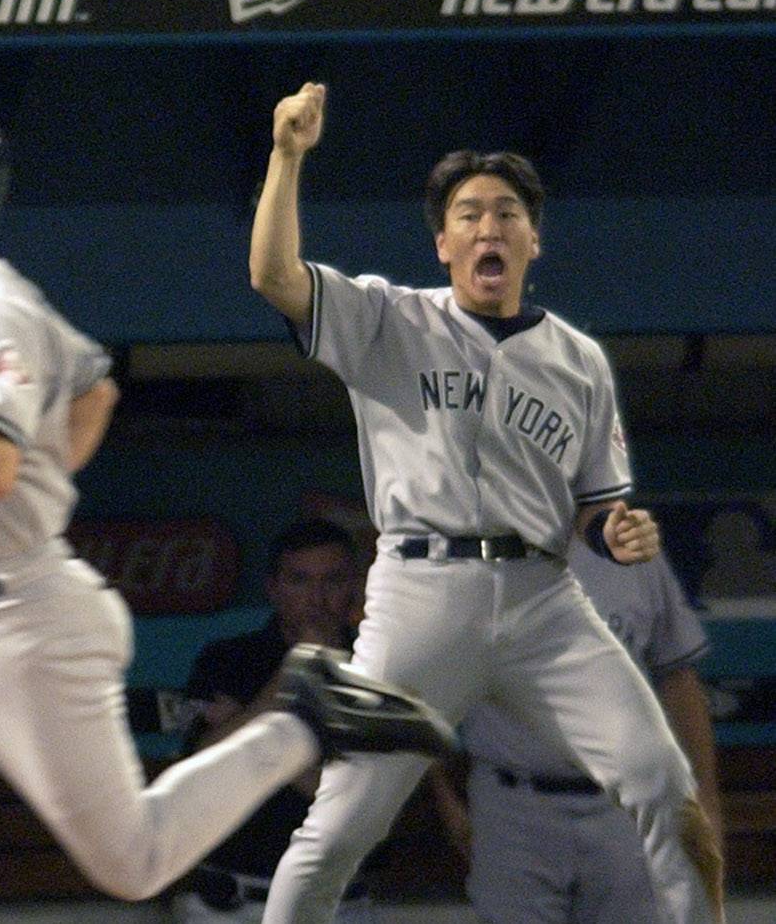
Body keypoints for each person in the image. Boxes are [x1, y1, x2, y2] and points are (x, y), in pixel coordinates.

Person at [0, 98, 457, 924]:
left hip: (20, 623)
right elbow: (92, 386)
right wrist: (45, 468)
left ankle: (303, 718)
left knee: (135, 860)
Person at [247, 81, 725, 924]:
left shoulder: (577, 360)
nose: (488, 227)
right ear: (442, 244)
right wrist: (287, 156)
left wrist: (620, 531)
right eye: (468, 214)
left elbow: (594, 513)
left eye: (506, 213)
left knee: (663, 784)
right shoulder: (391, 319)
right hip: (420, 594)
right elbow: (273, 275)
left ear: (534, 239)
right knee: (341, 824)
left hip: (544, 599)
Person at [430, 539, 722, 924]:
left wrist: (706, 799)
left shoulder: (629, 546)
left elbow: (679, 678)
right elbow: (423, 681)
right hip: (512, 806)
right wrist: (446, 798)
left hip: (623, 807)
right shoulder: (467, 547)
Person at [175, 518, 381, 924]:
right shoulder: (228, 660)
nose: (317, 598)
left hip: (339, 903)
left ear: (354, 588)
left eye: (333, 581)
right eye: (300, 580)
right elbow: (204, 762)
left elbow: (346, 796)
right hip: (229, 901)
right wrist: (292, 675)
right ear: (274, 588)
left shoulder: (379, 666)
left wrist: (247, 725)